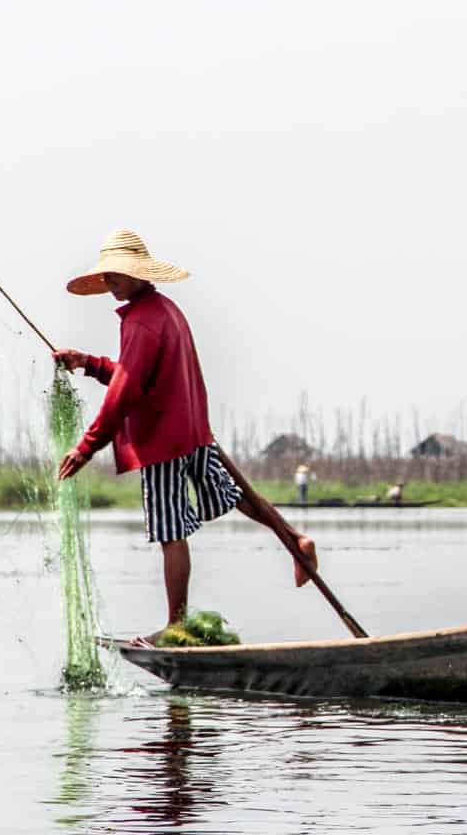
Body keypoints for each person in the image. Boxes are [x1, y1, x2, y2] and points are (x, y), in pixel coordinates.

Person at [54, 228, 317, 635]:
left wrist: (86, 448)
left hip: (161, 443)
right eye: (108, 276)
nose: (110, 284)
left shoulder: (142, 323)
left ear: (140, 274)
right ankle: (295, 539)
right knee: (235, 495)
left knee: (170, 532)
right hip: (192, 431)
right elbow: (137, 377)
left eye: (117, 275)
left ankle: (175, 627)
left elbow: (124, 394)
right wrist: (87, 362)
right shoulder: (165, 310)